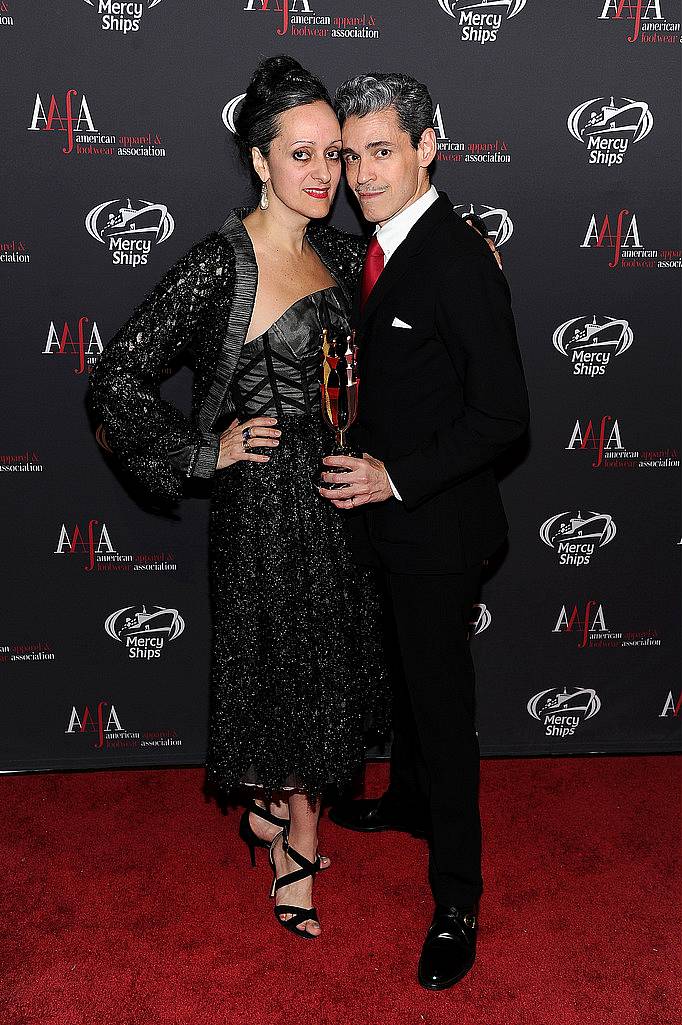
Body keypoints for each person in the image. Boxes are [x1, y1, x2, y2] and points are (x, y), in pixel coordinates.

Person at [86, 55, 392, 940]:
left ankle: (273, 808)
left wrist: (471, 244)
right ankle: (296, 838)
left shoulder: (338, 247)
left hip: (342, 497)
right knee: (284, 675)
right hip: (264, 510)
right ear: (259, 161)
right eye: (303, 155)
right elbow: (116, 378)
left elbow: (412, 272)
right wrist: (200, 449)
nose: (325, 174)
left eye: (334, 155)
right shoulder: (221, 266)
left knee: (328, 673)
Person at [319, 73, 530, 988]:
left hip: (437, 526)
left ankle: (456, 899)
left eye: (381, 151)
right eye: (350, 153)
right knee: (403, 676)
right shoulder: (375, 247)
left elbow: (504, 415)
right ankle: (406, 800)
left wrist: (395, 476)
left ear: (426, 147)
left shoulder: (455, 257)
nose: (362, 173)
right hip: (385, 520)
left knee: (443, 713)